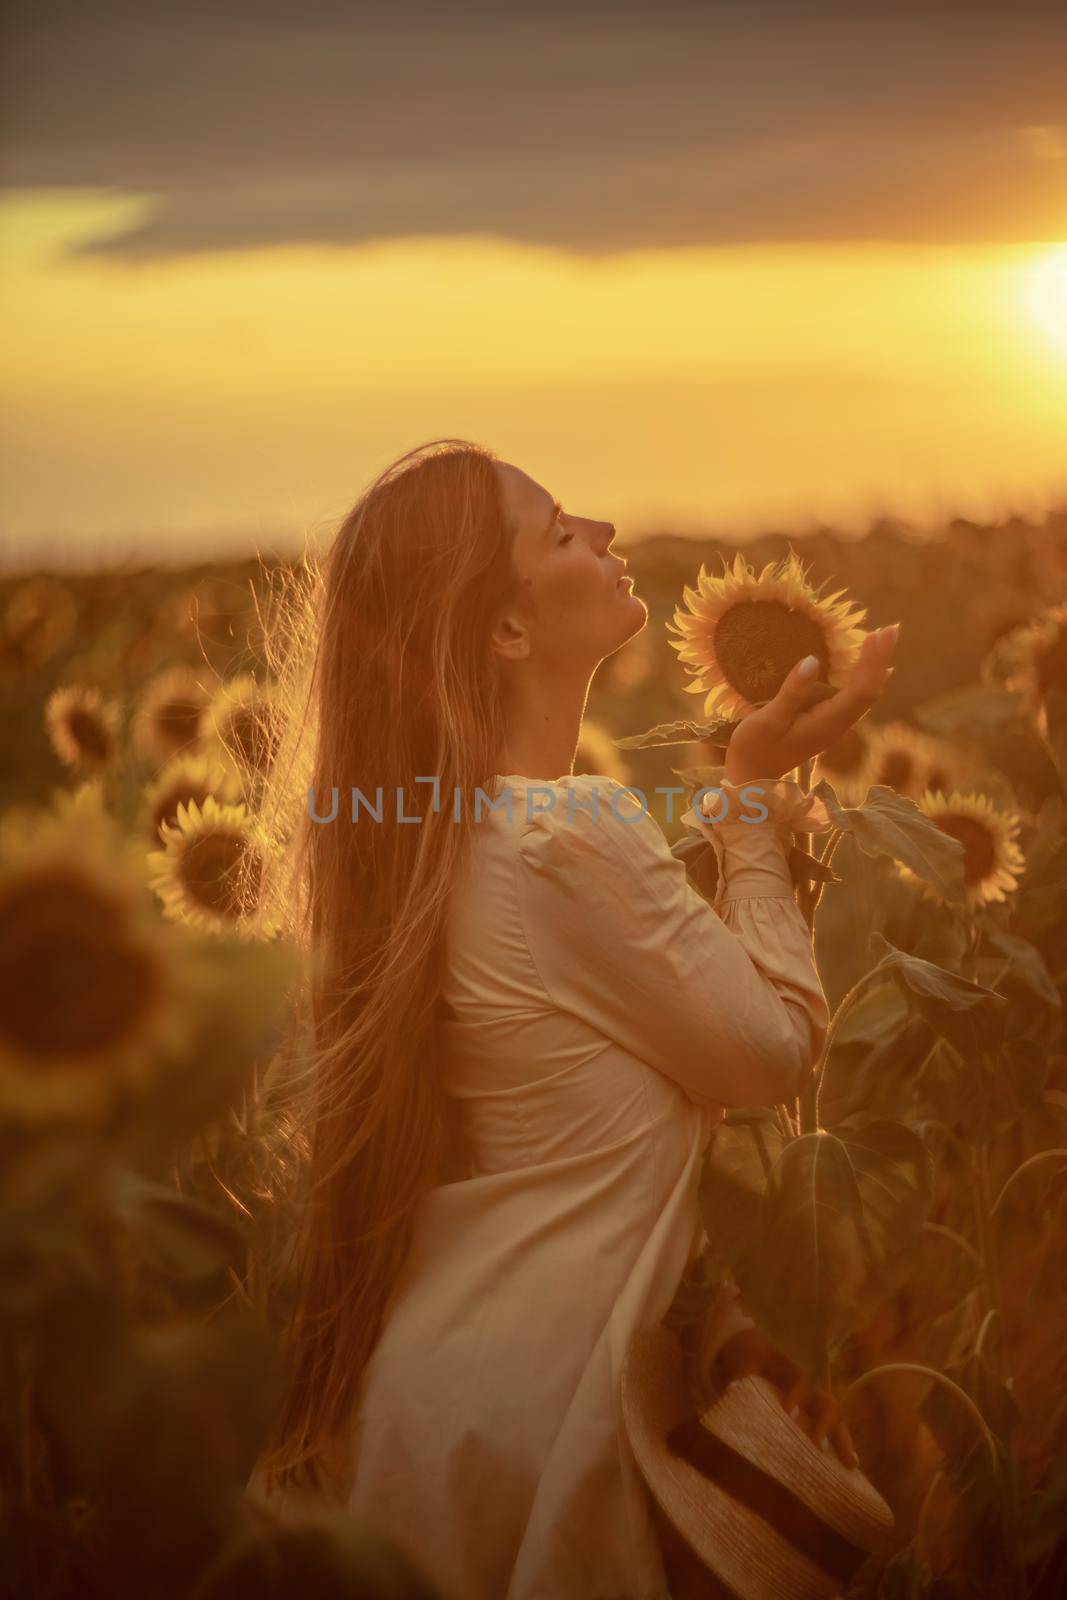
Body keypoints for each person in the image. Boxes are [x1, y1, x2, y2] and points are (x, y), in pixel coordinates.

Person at [247, 438, 899, 1600]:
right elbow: (770, 1054)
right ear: (504, 631)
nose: (599, 531)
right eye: (555, 530)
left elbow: (578, 1153)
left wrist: (719, 1313)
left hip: (454, 1407)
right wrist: (747, 818)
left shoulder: (423, 845)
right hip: (555, 1419)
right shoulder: (562, 833)